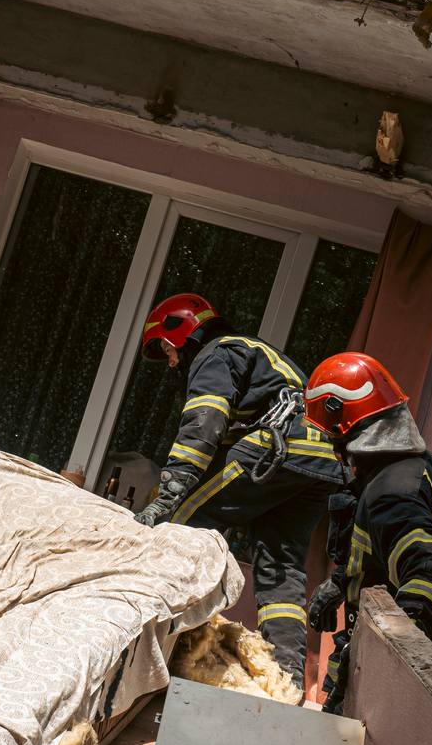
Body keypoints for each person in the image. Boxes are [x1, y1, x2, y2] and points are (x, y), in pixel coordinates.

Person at [131, 293, 346, 687]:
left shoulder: (216, 353)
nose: (171, 362)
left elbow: (205, 421)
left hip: (279, 449)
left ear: (176, 335)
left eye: (167, 352)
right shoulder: (257, 351)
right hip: (320, 463)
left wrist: (169, 493)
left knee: (183, 523)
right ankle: (288, 676)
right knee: (281, 566)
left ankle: (147, 646)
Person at [302, 351, 432, 711]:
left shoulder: (389, 492)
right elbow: (385, 546)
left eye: (331, 436)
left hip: (380, 686)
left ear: (345, 427)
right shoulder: (428, 467)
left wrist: (384, 660)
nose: (334, 451)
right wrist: (340, 583)